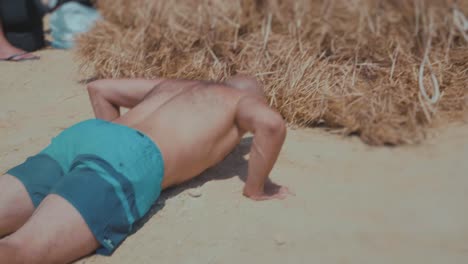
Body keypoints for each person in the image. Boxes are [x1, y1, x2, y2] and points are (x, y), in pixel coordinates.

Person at [0, 75, 291, 263]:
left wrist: (108, 142)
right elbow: (271, 124)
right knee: (22, 251)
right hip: (132, 156)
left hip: (87, 136)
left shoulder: (175, 85)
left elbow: (99, 88)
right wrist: (257, 188)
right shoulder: (240, 100)